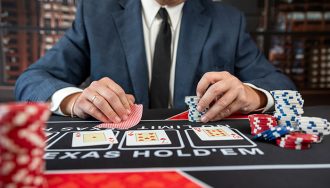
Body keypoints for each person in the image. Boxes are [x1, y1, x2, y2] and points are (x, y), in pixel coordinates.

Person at [15, 0, 296, 123]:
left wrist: (251, 95)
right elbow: (32, 80)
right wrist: (75, 101)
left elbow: (282, 87)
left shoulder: (228, 20)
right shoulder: (95, 11)